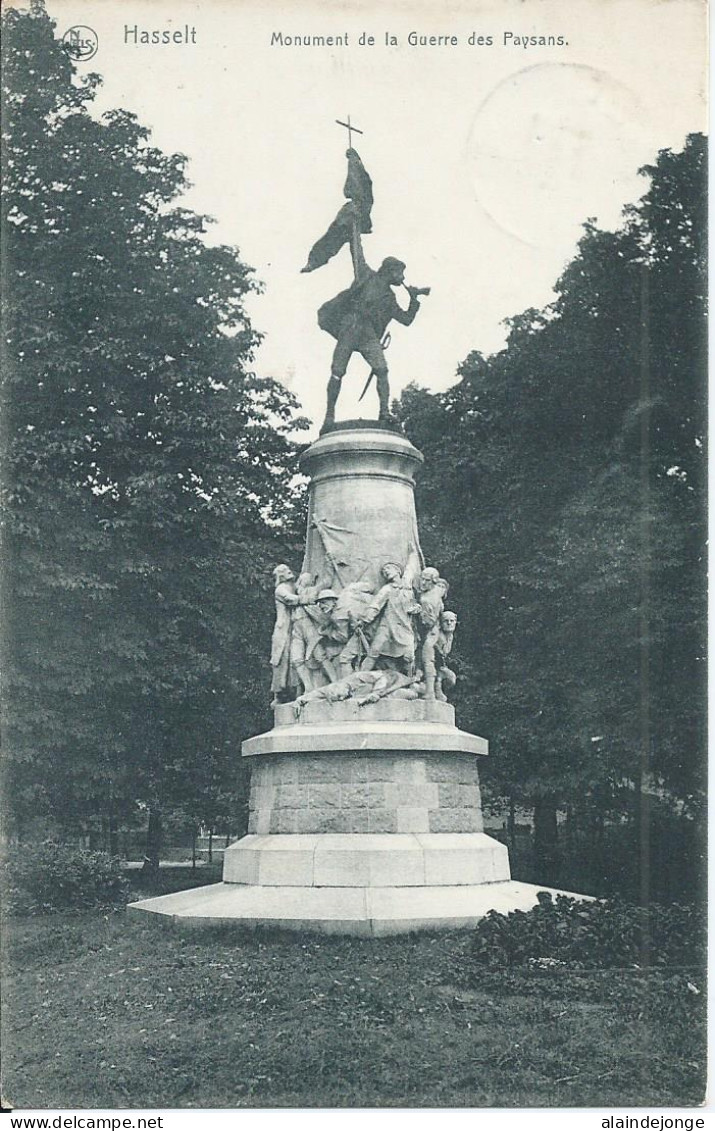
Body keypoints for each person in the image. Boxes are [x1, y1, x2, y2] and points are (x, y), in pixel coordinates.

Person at [317, 190, 425, 429]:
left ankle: (384, 412)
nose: (403, 277)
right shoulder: (366, 275)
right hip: (350, 325)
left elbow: (406, 320)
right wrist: (355, 222)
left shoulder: (390, 298)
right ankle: (328, 417)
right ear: (390, 271)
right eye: (400, 273)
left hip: (367, 333)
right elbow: (356, 247)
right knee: (338, 371)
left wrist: (414, 300)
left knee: (382, 369)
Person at [359, 563, 421, 674]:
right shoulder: (387, 589)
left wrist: (416, 608)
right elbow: (376, 605)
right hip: (387, 626)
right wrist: (365, 620)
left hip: (404, 627)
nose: (386, 572)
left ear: (398, 571)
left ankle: (409, 682)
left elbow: (413, 606)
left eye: (388, 568)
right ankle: (358, 678)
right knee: (374, 651)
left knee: (409, 656)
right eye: (383, 571)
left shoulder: (408, 588)